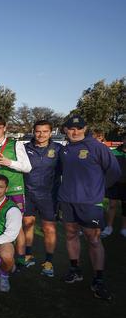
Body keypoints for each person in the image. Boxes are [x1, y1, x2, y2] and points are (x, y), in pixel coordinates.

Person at [58, 116, 121, 300]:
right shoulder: (65, 150)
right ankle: (74, 269)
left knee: (93, 240)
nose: (75, 132)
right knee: (70, 235)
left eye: (78, 128)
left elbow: (114, 172)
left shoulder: (97, 147)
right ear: (65, 130)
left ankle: (98, 279)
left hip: (90, 203)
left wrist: (97, 189)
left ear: (85, 128)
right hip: (67, 200)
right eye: (71, 128)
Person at [0, 114, 32, 267]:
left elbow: (27, 167)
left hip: (14, 191)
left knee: (18, 228)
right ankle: (1, 254)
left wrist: (9, 162)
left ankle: (20, 258)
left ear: (5, 128)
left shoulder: (15, 144)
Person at [22, 120, 62, 276]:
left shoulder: (58, 149)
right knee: (28, 225)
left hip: (49, 196)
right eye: (38, 131)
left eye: (45, 131)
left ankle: (49, 261)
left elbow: (65, 171)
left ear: (51, 132)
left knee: (49, 229)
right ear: (33, 131)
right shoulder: (24, 149)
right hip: (28, 193)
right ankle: (28, 255)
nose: (41, 134)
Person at [103, 134, 126, 238]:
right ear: (123, 139)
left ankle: (124, 228)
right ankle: (109, 227)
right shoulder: (113, 152)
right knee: (112, 205)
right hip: (115, 184)